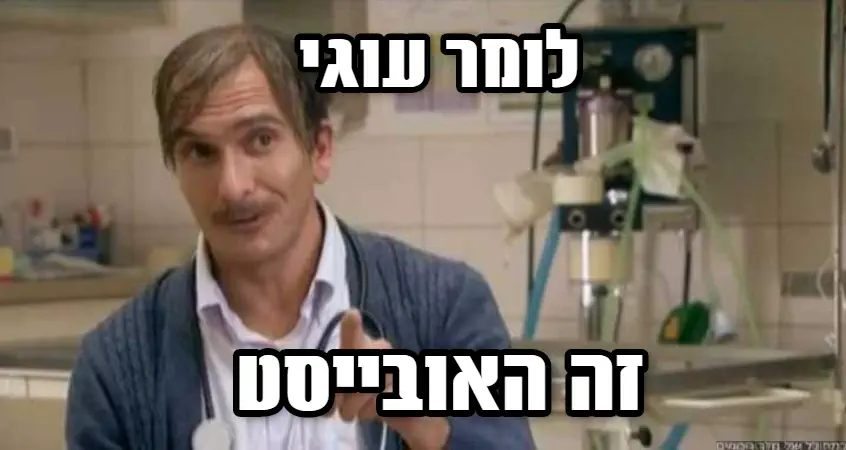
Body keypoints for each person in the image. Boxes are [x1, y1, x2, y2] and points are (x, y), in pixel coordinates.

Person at [64, 24, 536, 450]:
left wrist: (427, 429)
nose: (233, 186)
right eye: (201, 152)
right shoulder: (116, 368)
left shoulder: (444, 308)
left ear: (320, 149)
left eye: (260, 140)